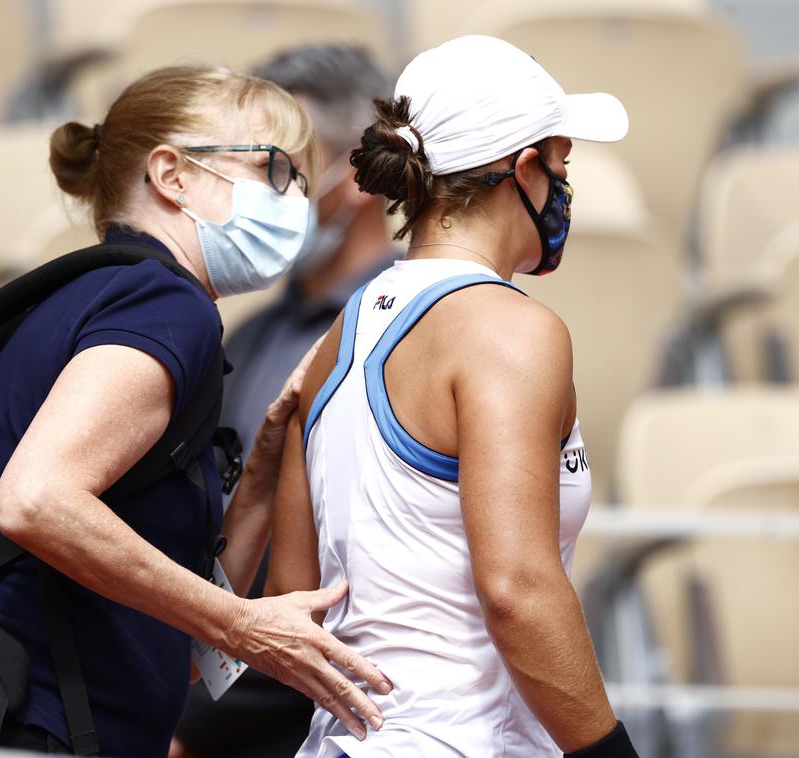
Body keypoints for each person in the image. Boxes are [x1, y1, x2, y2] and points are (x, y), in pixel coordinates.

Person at [0, 65, 391, 756]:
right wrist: (242, 624)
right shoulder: (162, 307)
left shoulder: (101, 290)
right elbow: (37, 501)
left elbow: (182, 617)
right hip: (12, 719)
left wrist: (260, 465)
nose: (296, 201)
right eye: (277, 171)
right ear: (172, 174)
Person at [268, 36, 639, 757]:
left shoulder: (342, 330)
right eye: (561, 166)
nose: (564, 189)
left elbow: (294, 586)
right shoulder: (511, 331)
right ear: (524, 169)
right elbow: (517, 587)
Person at [174, 45, 398, 758]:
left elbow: (350, 585)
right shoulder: (249, 328)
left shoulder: (397, 331)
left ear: (361, 172)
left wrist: (187, 730)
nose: (253, 192)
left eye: (283, 166)